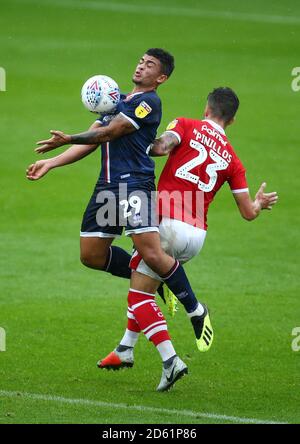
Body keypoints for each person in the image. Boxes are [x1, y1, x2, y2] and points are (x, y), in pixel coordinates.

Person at [27, 48, 211, 354]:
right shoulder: (118, 100)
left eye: (150, 65)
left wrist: (69, 137)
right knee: (91, 256)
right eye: (141, 61)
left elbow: (109, 134)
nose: (141, 66)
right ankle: (162, 282)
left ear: (161, 77)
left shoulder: (149, 103)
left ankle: (195, 309)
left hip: (135, 187)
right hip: (107, 189)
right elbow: (94, 136)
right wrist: (52, 162)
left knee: (152, 254)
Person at [97, 87, 278, 392]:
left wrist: (132, 134)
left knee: (139, 295)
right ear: (231, 121)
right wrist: (259, 203)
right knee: (142, 276)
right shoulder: (234, 160)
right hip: (195, 235)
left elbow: (160, 148)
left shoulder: (185, 124)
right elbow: (248, 212)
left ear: (206, 109)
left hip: (166, 222)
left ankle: (172, 361)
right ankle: (125, 349)